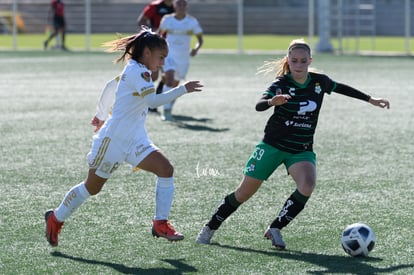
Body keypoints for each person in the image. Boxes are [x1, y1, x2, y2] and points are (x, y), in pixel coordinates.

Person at [195, 39, 390, 249]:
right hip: (272, 146)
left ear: (310, 61)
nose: (299, 65)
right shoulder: (280, 84)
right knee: (243, 193)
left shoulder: (319, 82)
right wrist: (272, 102)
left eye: (303, 61)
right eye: (294, 60)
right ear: (288, 60)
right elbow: (259, 105)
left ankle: (276, 227)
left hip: (300, 149)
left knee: (307, 186)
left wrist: (370, 99)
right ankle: (210, 228)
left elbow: (341, 88)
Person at [44, 27, 203, 247]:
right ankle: (55, 217)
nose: (162, 63)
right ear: (147, 52)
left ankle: (160, 223)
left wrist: (100, 115)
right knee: (92, 187)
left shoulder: (135, 69)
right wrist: (182, 89)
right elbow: (153, 102)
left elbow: (111, 86)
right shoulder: (139, 72)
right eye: (161, 57)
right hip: (113, 141)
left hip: (136, 139)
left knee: (166, 169)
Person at [158, 0, 203, 121]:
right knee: (169, 79)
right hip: (169, 55)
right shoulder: (167, 19)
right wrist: (158, 52)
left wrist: (196, 48)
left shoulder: (192, 21)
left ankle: (169, 104)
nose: (181, 6)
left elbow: (200, 39)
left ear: (187, 6)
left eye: (184, 4)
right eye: (179, 4)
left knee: (175, 85)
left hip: (183, 59)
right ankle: (166, 112)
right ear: (174, 6)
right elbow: (158, 35)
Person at [137, 0, 175, 113]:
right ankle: (145, 101)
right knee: (153, 76)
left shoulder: (177, 6)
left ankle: (154, 101)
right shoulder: (155, 6)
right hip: (157, 46)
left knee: (169, 76)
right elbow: (141, 20)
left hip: (172, 46)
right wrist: (151, 34)